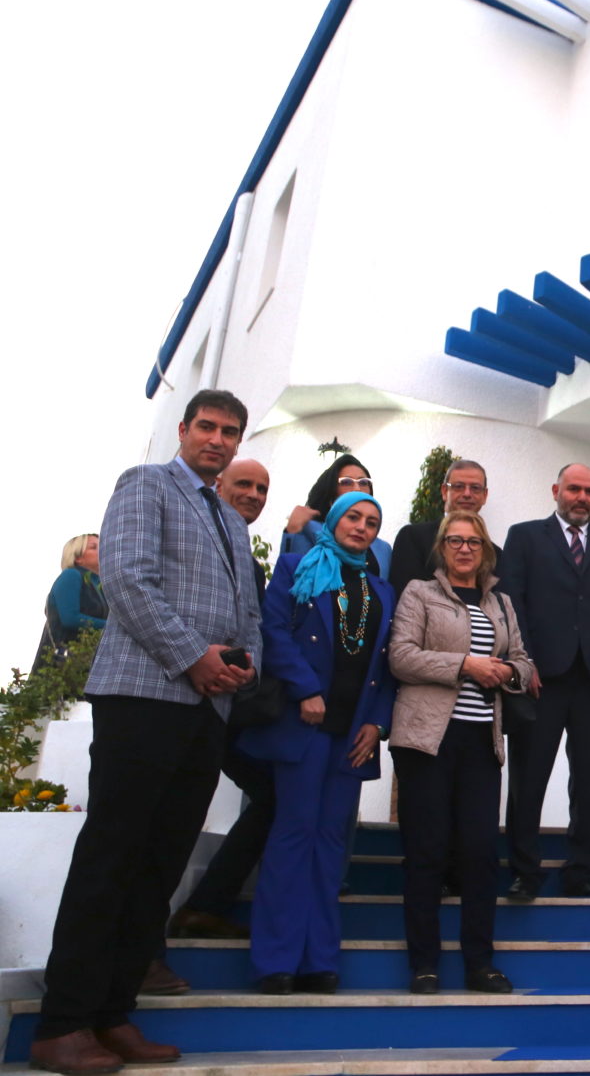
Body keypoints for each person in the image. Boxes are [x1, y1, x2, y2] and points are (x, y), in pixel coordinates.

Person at [30, 389, 261, 1076]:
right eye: (207, 427)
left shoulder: (231, 519)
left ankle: (112, 1014)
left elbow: (247, 613)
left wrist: (244, 667)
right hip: (144, 696)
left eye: (230, 432)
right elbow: (129, 581)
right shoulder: (146, 484)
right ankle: (63, 1024)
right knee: (112, 858)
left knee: (160, 866)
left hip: (207, 711)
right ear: (184, 430)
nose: (217, 440)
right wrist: (194, 657)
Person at [239, 490, 396, 995]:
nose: (362, 527)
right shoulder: (296, 567)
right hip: (304, 725)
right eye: (354, 517)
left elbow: (388, 663)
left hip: (352, 733)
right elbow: (273, 631)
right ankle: (275, 962)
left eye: (372, 522)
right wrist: (305, 688)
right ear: (333, 520)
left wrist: (377, 724)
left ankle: (319, 960)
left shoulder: (381, 588)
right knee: (293, 837)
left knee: (331, 845)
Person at [389, 511, 532, 994]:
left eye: (473, 542)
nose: (465, 549)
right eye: (455, 541)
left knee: (480, 854)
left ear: (486, 550)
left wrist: (508, 672)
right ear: (442, 548)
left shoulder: (502, 602)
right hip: (427, 739)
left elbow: (523, 663)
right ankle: (424, 965)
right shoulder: (419, 593)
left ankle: (479, 964)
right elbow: (401, 657)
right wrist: (466, 665)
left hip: (481, 742)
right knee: (426, 852)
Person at [497, 463, 590, 900]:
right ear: (556, 490)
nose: (582, 498)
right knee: (528, 779)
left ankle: (582, 872)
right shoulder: (524, 537)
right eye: (574, 489)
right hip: (539, 679)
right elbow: (511, 603)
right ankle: (525, 872)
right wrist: (523, 663)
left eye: (589, 491)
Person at [165, 458, 278, 944]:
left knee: (273, 797)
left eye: (262, 488)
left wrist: (246, 671)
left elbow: (252, 628)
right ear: (217, 486)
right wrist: (198, 661)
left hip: (226, 706)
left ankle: (204, 907)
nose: (253, 494)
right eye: (244, 484)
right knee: (161, 823)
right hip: (174, 698)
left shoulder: (248, 559)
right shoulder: (192, 538)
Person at [390, 459, 499, 597]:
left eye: (475, 488)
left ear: (485, 495)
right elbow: (404, 598)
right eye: (459, 486)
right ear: (444, 491)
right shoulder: (413, 538)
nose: (467, 494)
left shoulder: (496, 554)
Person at [282, 454, 391, 578]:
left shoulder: (383, 549)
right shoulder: (309, 530)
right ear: (331, 493)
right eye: (346, 482)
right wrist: (293, 530)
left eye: (363, 482)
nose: (357, 488)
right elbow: (291, 578)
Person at [34, 534, 108, 671]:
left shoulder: (100, 585)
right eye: (93, 547)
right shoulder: (71, 575)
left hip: (87, 663)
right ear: (78, 558)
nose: (102, 550)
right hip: (60, 667)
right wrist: (113, 627)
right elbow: (70, 618)